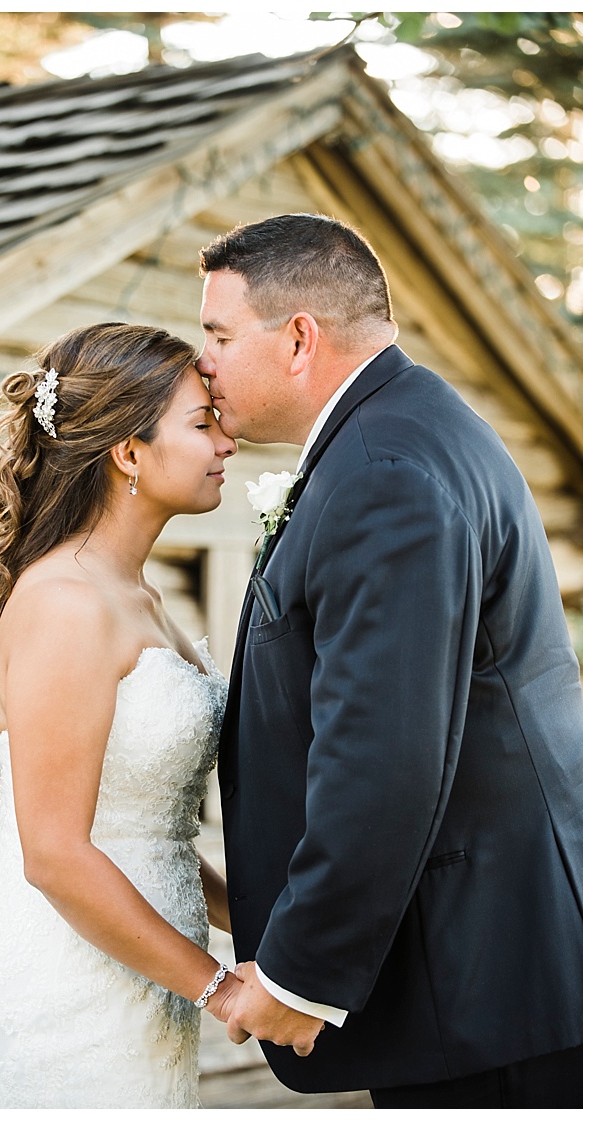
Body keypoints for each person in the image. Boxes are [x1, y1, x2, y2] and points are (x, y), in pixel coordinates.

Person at [200, 213, 582, 1107]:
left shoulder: (383, 470)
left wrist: (300, 976)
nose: (203, 359)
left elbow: (384, 755)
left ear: (300, 339)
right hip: (489, 972)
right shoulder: (400, 433)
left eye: (218, 334)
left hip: (479, 980)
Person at [0, 322, 246, 1107]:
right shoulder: (66, 602)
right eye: (202, 424)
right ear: (128, 453)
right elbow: (58, 855)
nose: (228, 441)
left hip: (145, 988)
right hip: (60, 996)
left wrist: (266, 931)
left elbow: (151, 836)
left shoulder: (141, 597)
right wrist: (223, 990)